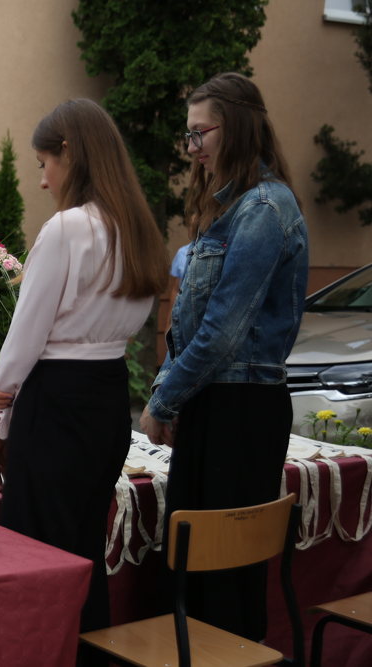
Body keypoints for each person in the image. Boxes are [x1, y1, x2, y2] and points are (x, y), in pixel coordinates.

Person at [0, 99, 170, 647]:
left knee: (39, 555)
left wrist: (0, 415)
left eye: (44, 164)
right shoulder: (136, 228)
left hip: (57, 403)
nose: (43, 181)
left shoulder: (68, 228)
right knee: (84, 547)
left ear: (69, 152)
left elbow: (27, 334)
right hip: (108, 398)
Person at [139, 72, 308, 642]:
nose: (192, 147)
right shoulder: (232, 205)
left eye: (199, 133)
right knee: (197, 572)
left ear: (233, 126)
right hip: (217, 403)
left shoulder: (264, 208)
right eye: (189, 135)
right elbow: (189, 325)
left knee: (222, 579)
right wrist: (174, 392)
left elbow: (222, 332)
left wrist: (162, 400)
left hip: (242, 409)